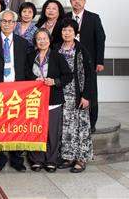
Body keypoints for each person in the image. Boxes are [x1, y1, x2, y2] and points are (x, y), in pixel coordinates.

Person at [0, 9, 30, 172]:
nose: (7, 24)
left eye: (11, 22)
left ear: (15, 24)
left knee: (17, 125)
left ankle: (17, 159)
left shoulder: (23, 43)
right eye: (4, 21)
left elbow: (26, 68)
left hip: (17, 91)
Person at [27, 28, 72, 173]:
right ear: (35, 41)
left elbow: (68, 76)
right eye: (39, 39)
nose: (42, 41)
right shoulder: (30, 56)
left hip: (53, 100)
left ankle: (51, 160)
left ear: (49, 40)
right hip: (34, 100)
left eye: (44, 38)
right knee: (36, 130)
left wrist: (55, 81)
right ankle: (36, 159)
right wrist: (34, 80)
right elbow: (24, 74)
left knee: (52, 132)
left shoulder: (57, 57)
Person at [57, 19, 94, 173]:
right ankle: (68, 156)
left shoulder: (81, 50)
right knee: (66, 127)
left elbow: (90, 75)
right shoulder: (56, 48)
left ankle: (81, 159)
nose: (66, 33)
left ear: (75, 33)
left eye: (70, 30)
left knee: (81, 126)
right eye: (64, 30)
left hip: (78, 93)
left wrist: (86, 96)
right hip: (61, 93)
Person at [67, 0, 106, 133]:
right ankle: (73, 120)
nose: (77, 2)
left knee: (91, 91)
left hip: (89, 61)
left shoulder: (93, 18)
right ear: (70, 1)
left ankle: (92, 122)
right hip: (69, 60)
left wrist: (99, 61)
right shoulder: (66, 17)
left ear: (84, 1)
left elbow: (100, 39)